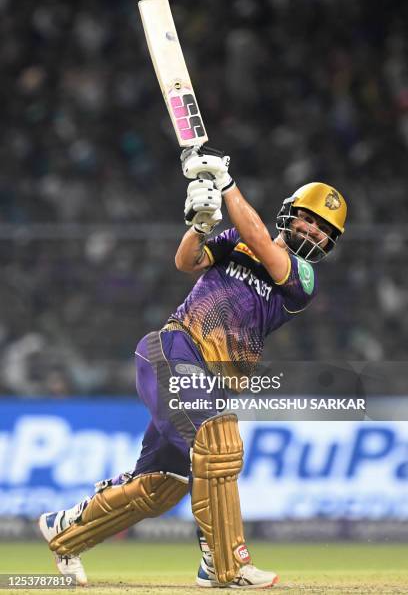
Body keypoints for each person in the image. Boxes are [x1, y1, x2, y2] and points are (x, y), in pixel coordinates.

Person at [39, 146, 347, 588]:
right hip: (174, 350)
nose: (313, 231)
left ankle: (64, 531)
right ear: (290, 213)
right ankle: (227, 566)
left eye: (323, 230)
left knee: (160, 485)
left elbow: (260, 240)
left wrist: (226, 184)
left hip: (214, 380)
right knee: (218, 439)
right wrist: (199, 226)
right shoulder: (235, 239)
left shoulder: (303, 279)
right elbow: (187, 261)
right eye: (309, 218)